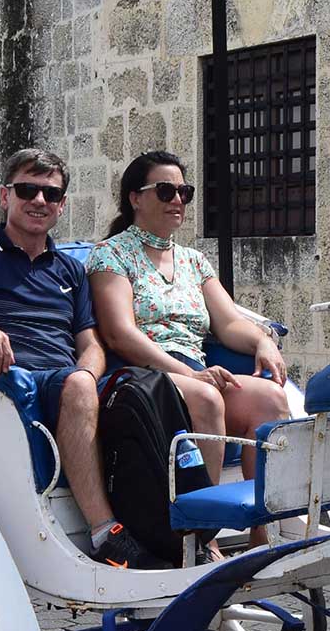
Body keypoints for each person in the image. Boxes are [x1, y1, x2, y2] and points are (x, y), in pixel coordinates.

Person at [0, 148, 169, 570]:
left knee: (145, 390)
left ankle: (168, 527)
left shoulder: (69, 271)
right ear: (5, 196)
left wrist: (87, 373)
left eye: (51, 194)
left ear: (62, 205)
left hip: (68, 379)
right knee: (85, 386)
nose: (39, 201)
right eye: (28, 189)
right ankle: (105, 533)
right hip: (13, 381)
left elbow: (92, 343)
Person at [87, 151, 290, 543]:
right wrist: (191, 375)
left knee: (270, 399)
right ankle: (203, 537)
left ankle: (263, 534)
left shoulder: (194, 261)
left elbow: (229, 322)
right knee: (207, 398)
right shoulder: (111, 254)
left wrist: (264, 342)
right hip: (144, 378)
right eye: (165, 191)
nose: (177, 200)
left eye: (184, 191)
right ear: (135, 198)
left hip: (196, 373)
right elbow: (121, 335)